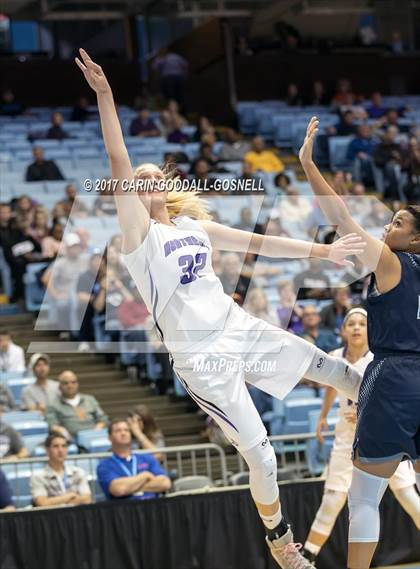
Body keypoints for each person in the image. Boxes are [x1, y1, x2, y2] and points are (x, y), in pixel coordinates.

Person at [75, 49, 366, 568]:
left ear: (164, 185)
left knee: (341, 373)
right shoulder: (139, 238)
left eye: (150, 176)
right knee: (262, 453)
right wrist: (106, 96)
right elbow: (118, 159)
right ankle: (281, 541)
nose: (142, 181)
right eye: (135, 182)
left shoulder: (193, 227)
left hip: (240, 328)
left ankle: (400, 423)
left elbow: (259, 242)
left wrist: (321, 251)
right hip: (201, 359)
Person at [300, 116, 420, 569]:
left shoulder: (392, 262)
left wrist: (309, 166)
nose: (390, 224)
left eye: (399, 222)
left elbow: (340, 218)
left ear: (416, 239)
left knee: (364, 495)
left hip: (394, 378)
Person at [302, 308, 420, 564]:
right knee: (332, 500)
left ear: (371, 330)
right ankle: (306, 557)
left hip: (381, 435)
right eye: (351, 324)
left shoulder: (379, 360)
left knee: (408, 496)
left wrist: (369, 412)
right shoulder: (334, 357)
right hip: (346, 441)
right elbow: (334, 388)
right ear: (343, 330)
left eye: (362, 323)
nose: (356, 328)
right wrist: (323, 416)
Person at [97, 418, 171, 500]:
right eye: (118, 431)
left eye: (126, 430)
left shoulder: (146, 458)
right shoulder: (105, 465)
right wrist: (145, 476)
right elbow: (118, 489)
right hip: (122, 508)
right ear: (110, 438)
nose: (123, 433)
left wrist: (130, 487)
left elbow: (165, 483)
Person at [30, 433, 92, 507]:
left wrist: (54, 501)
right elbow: (42, 503)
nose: (60, 450)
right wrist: (68, 497)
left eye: (64, 446)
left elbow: (87, 499)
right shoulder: (38, 477)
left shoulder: (78, 472)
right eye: (56, 446)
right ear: (47, 450)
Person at [45, 370, 108, 440]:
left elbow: (103, 419)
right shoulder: (52, 405)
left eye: (73, 382)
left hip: (95, 436)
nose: (70, 386)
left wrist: (96, 431)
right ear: (59, 386)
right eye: (65, 383)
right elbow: (53, 426)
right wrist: (65, 435)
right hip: (70, 440)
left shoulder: (90, 399)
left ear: (77, 384)